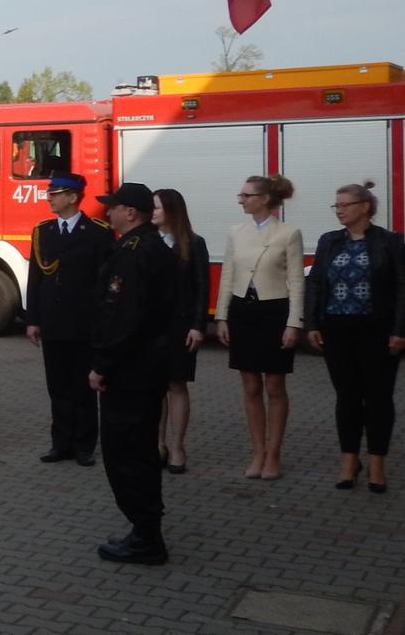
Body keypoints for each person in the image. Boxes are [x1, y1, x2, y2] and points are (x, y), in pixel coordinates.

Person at [87, 182, 180, 566]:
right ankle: (144, 530)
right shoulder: (150, 247)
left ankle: (146, 536)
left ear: (130, 212)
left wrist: (102, 365)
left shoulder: (134, 253)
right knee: (137, 450)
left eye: (113, 207)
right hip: (145, 367)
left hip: (131, 371)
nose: (107, 213)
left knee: (126, 453)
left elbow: (126, 319)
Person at [305, 182, 405, 494]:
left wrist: (400, 329)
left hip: (377, 330)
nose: (339, 210)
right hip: (337, 329)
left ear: (365, 207)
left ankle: (377, 463)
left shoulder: (389, 242)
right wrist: (312, 323)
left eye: (345, 205)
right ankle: (349, 460)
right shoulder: (329, 241)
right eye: (336, 205)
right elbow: (315, 284)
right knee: (347, 397)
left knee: (378, 397)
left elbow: (404, 287)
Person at [214, 174, 304, 480]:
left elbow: (296, 280)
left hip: (274, 311)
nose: (240, 199)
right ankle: (258, 452)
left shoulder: (288, 233)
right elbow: (228, 275)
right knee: (250, 386)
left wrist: (294, 322)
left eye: (246, 195)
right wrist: (222, 317)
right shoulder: (235, 232)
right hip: (243, 311)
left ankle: (274, 453)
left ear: (265, 199)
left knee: (274, 386)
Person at [25, 172, 113, 467]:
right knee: (58, 386)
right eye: (49, 192)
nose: (49, 197)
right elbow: (35, 277)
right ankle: (60, 443)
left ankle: (84, 445)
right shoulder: (43, 231)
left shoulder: (98, 232)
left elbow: (103, 283)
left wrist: (102, 322)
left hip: (83, 322)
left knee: (84, 388)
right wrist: (32, 319)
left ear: (73, 197)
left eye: (55, 193)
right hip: (52, 322)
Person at [153, 189, 209, 475]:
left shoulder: (193, 244)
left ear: (172, 211)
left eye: (157, 207)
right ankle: (157, 445)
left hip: (180, 326)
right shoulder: (147, 242)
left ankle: (177, 447)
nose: (152, 212)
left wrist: (198, 326)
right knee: (155, 387)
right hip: (152, 328)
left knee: (176, 385)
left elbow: (202, 288)